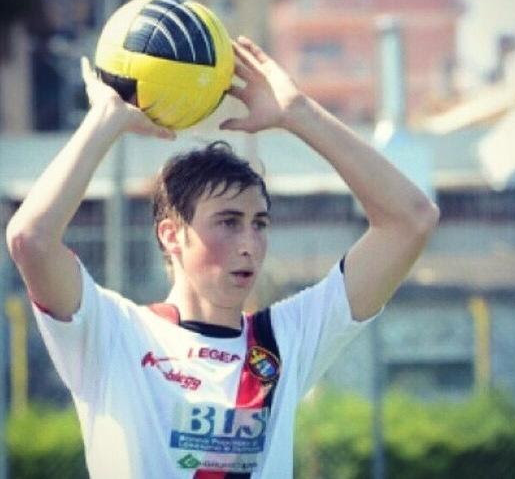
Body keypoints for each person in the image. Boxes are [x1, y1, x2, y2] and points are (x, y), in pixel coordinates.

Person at [6, 35, 439, 478]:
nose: (249, 242)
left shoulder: (285, 338)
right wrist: (104, 120)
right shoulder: (114, 332)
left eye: (260, 223)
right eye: (229, 222)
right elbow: (30, 239)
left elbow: (412, 220)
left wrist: (299, 114)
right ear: (171, 235)